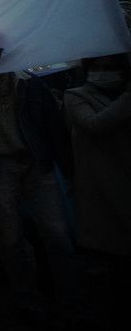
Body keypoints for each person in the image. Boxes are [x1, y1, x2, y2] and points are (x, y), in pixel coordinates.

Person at [0, 71, 77, 323]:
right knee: (10, 236)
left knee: (57, 232)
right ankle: (24, 299)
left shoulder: (30, 84)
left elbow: (53, 127)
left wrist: (68, 169)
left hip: (36, 162)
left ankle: (69, 298)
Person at [63, 54, 131, 328]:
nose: (103, 73)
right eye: (98, 68)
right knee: (111, 261)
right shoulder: (75, 96)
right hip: (101, 186)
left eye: (110, 67)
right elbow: (94, 125)